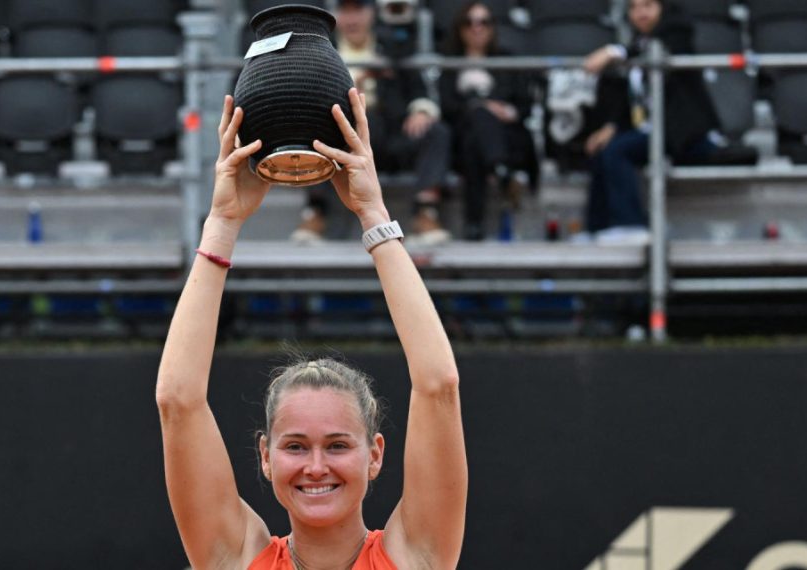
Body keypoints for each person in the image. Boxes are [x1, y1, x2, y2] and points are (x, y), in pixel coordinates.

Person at [157, 88, 467, 569]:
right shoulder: (234, 558)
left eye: (338, 445)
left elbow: (438, 385)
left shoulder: (416, 555)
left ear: (375, 454)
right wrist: (222, 221)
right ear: (265, 455)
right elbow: (177, 402)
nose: (315, 467)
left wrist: (373, 215)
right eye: (295, 446)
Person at [292, 0, 454, 246]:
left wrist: (420, 110)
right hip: (342, 137)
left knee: (436, 131)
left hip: (391, 132)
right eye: (345, 11)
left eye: (358, 10)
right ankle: (315, 213)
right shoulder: (321, 49)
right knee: (314, 129)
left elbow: (418, 88)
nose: (352, 19)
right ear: (334, 15)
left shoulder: (393, 45)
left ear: (371, 13)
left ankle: (426, 212)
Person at [581, 0, 720, 244]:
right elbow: (632, 100)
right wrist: (610, 127)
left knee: (618, 150)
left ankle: (631, 224)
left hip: (681, 131)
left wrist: (615, 52)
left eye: (647, 5)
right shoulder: (636, 44)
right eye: (633, 7)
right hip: (647, 129)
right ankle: (596, 228)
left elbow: (660, 49)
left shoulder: (677, 31)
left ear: (662, 8)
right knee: (602, 148)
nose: (640, 13)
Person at [439, 0, 538, 241]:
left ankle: (474, 224)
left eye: (483, 22)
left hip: (508, 135)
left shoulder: (507, 60)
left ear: (493, 27)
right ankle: (501, 170)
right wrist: (482, 107)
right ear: (459, 28)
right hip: (464, 138)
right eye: (469, 22)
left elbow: (525, 106)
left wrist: (507, 111)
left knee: (477, 140)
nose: (477, 28)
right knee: (476, 127)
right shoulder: (450, 64)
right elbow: (447, 107)